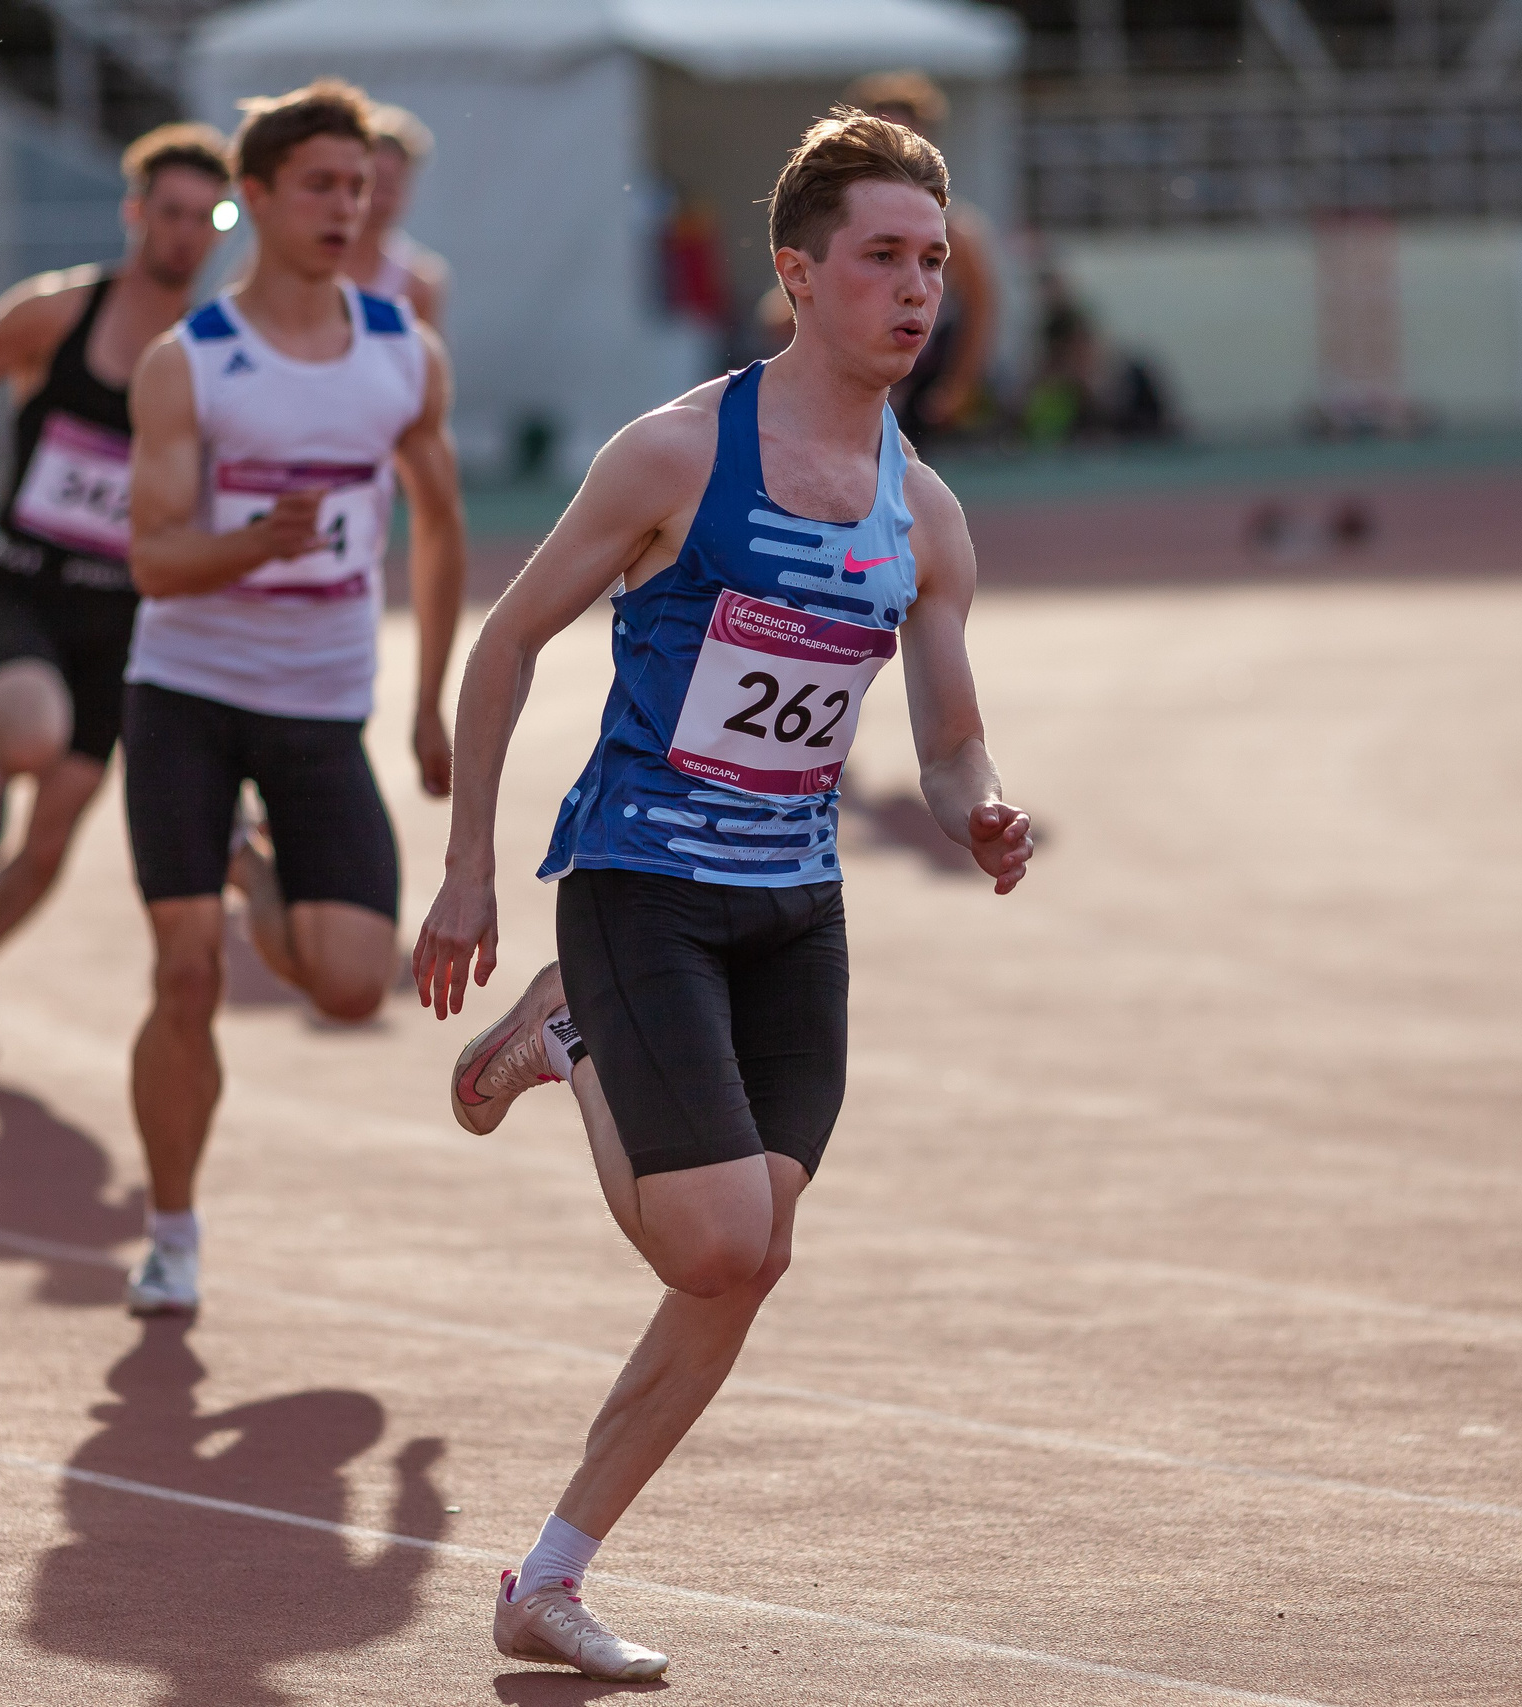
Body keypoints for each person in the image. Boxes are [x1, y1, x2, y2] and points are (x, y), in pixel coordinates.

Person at [412, 109, 1035, 1682]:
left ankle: (547, 1577)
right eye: (882, 259)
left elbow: (948, 740)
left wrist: (983, 813)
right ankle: (569, 1038)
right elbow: (507, 642)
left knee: (749, 1253)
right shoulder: (678, 453)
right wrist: (473, 864)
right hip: (642, 886)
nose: (915, 292)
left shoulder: (925, 513)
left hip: (793, 911)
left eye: (934, 264)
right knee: (712, 1237)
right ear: (797, 274)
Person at [120, 79, 465, 1317]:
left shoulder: (399, 352)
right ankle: (170, 1232)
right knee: (186, 977)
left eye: (358, 186)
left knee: (346, 985)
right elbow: (154, 560)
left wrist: (430, 699)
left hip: (324, 705)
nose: (344, 207)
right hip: (188, 697)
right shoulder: (190, 365)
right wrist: (255, 545)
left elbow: (437, 526)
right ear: (252, 199)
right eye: (318, 185)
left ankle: (251, 868)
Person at [0, 125, 234, 1059]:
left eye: (206, 218)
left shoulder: (215, 349)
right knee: (32, 732)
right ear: (134, 215)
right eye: (170, 214)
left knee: (47, 848)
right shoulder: (56, 315)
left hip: (127, 622)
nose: (186, 235)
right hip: (29, 589)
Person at [846, 71, 1001, 449]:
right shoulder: (839, 222)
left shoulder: (956, 232)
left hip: (920, 393)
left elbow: (982, 312)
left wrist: (958, 387)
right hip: (855, 387)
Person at [338, 103, 450, 329]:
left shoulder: (420, 282)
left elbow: (425, 361)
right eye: (373, 183)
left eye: (392, 185)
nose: (379, 199)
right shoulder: (300, 259)